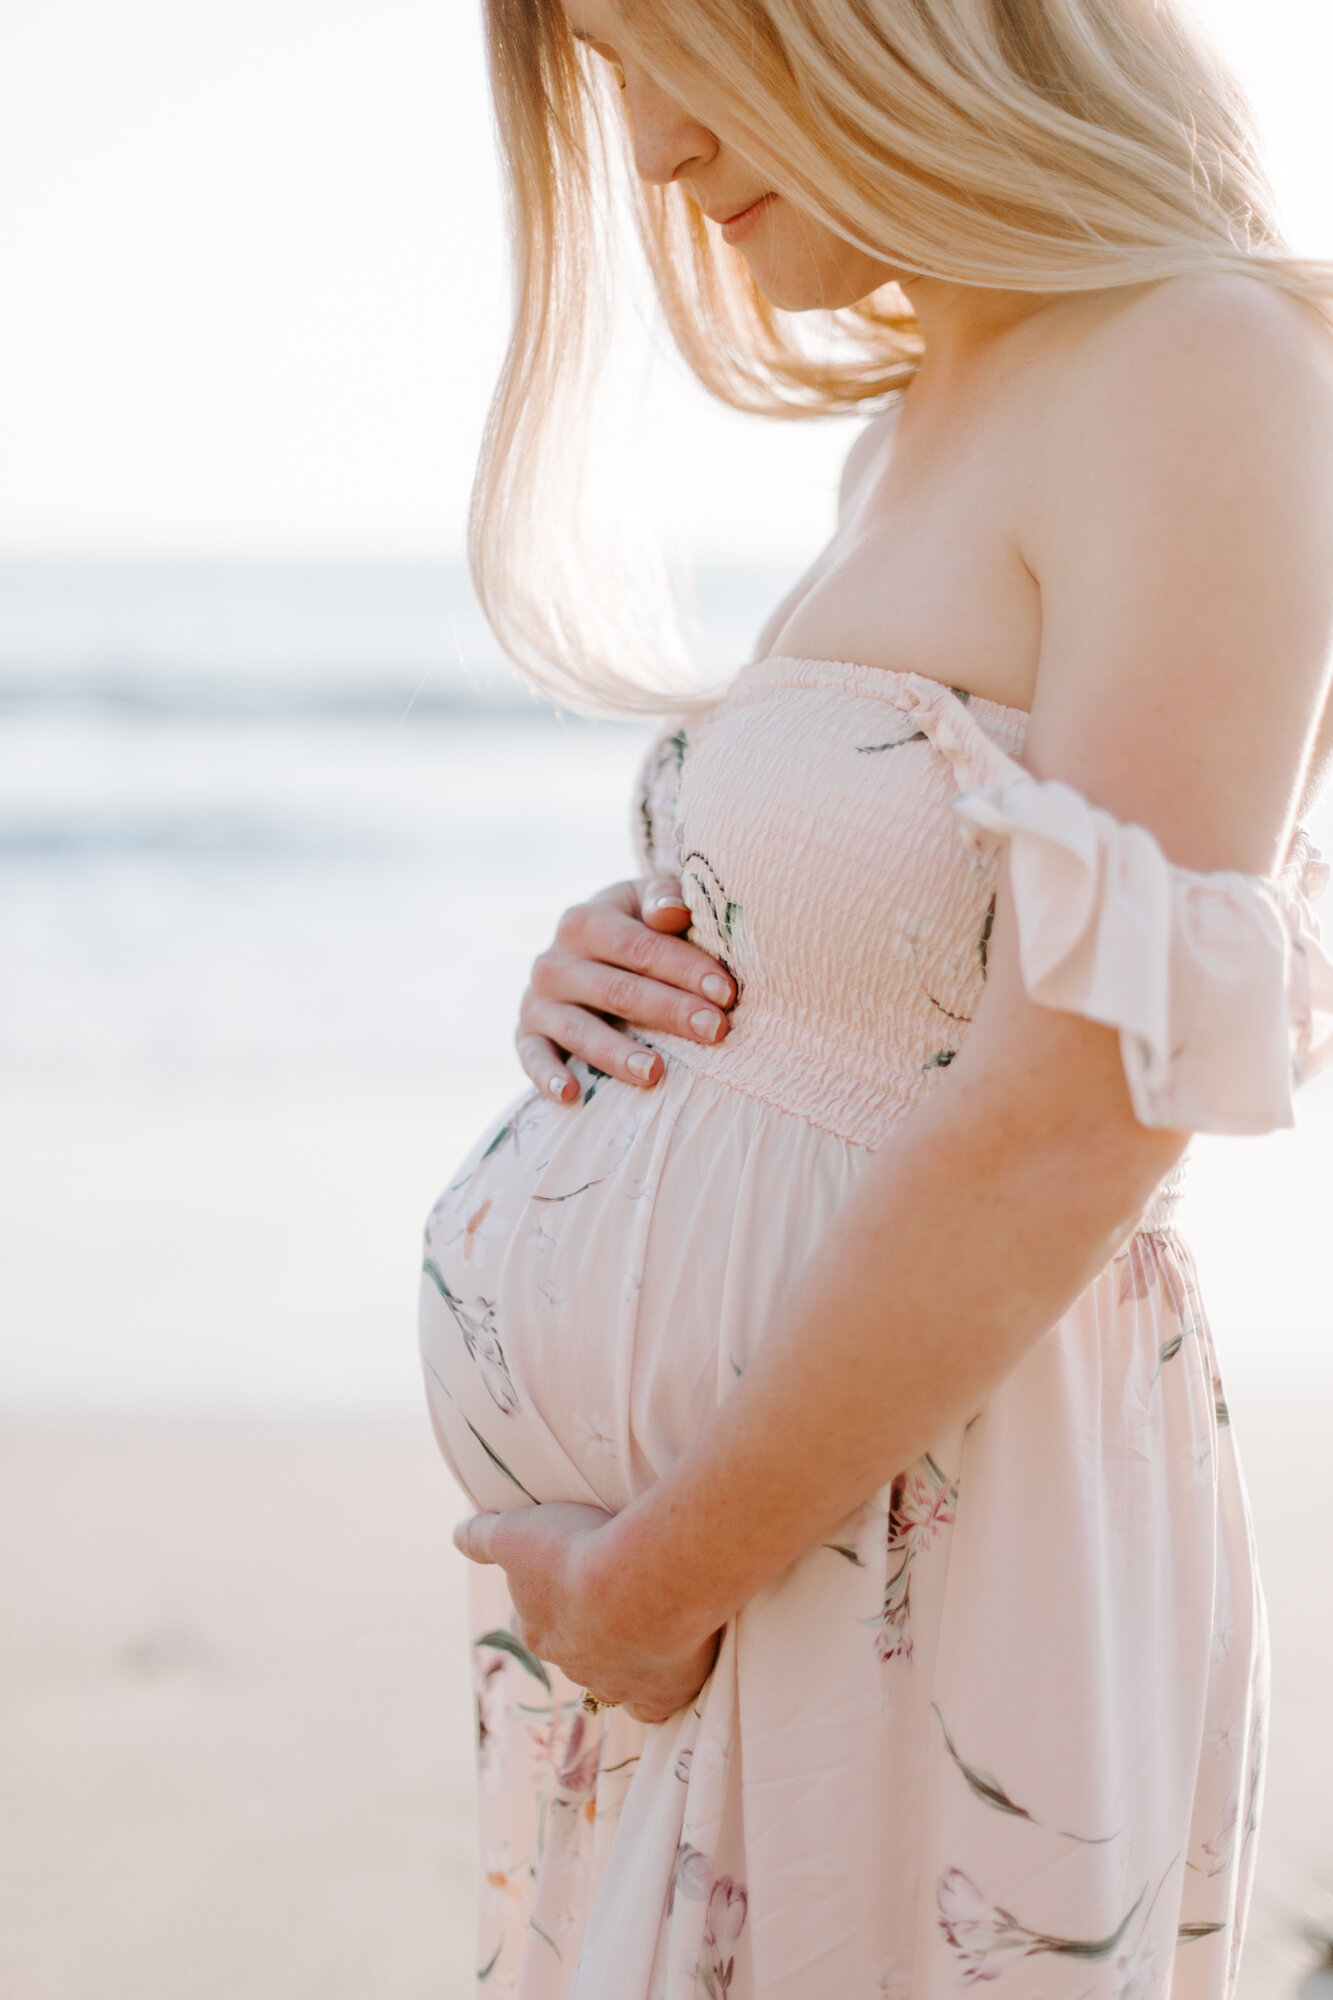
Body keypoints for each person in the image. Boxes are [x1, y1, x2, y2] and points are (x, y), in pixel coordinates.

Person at [419, 1, 1333, 1992]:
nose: (651, 149)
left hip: (905, 1550)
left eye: (668, 50)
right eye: (604, 81)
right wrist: (642, 979)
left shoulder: (1196, 361)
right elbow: (911, 949)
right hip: (757, 1564)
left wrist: (654, 1582)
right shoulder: (924, 418)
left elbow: (1085, 1116)